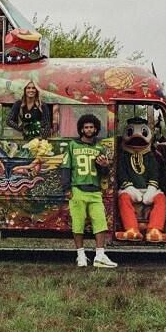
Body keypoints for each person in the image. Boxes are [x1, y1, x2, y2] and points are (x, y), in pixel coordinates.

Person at [59, 114, 117, 269]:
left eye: (91, 127)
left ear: (96, 128)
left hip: (95, 190)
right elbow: (65, 168)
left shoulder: (100, 147)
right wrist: (66, 188)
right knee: (78, 224)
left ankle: (99, 256)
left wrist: (105, 165)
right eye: (86, 127)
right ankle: (81, 255)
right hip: (77, 189)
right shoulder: (72, 145)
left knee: (100, 222)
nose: (89, 129)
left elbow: (104, 174)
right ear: (81, 129)